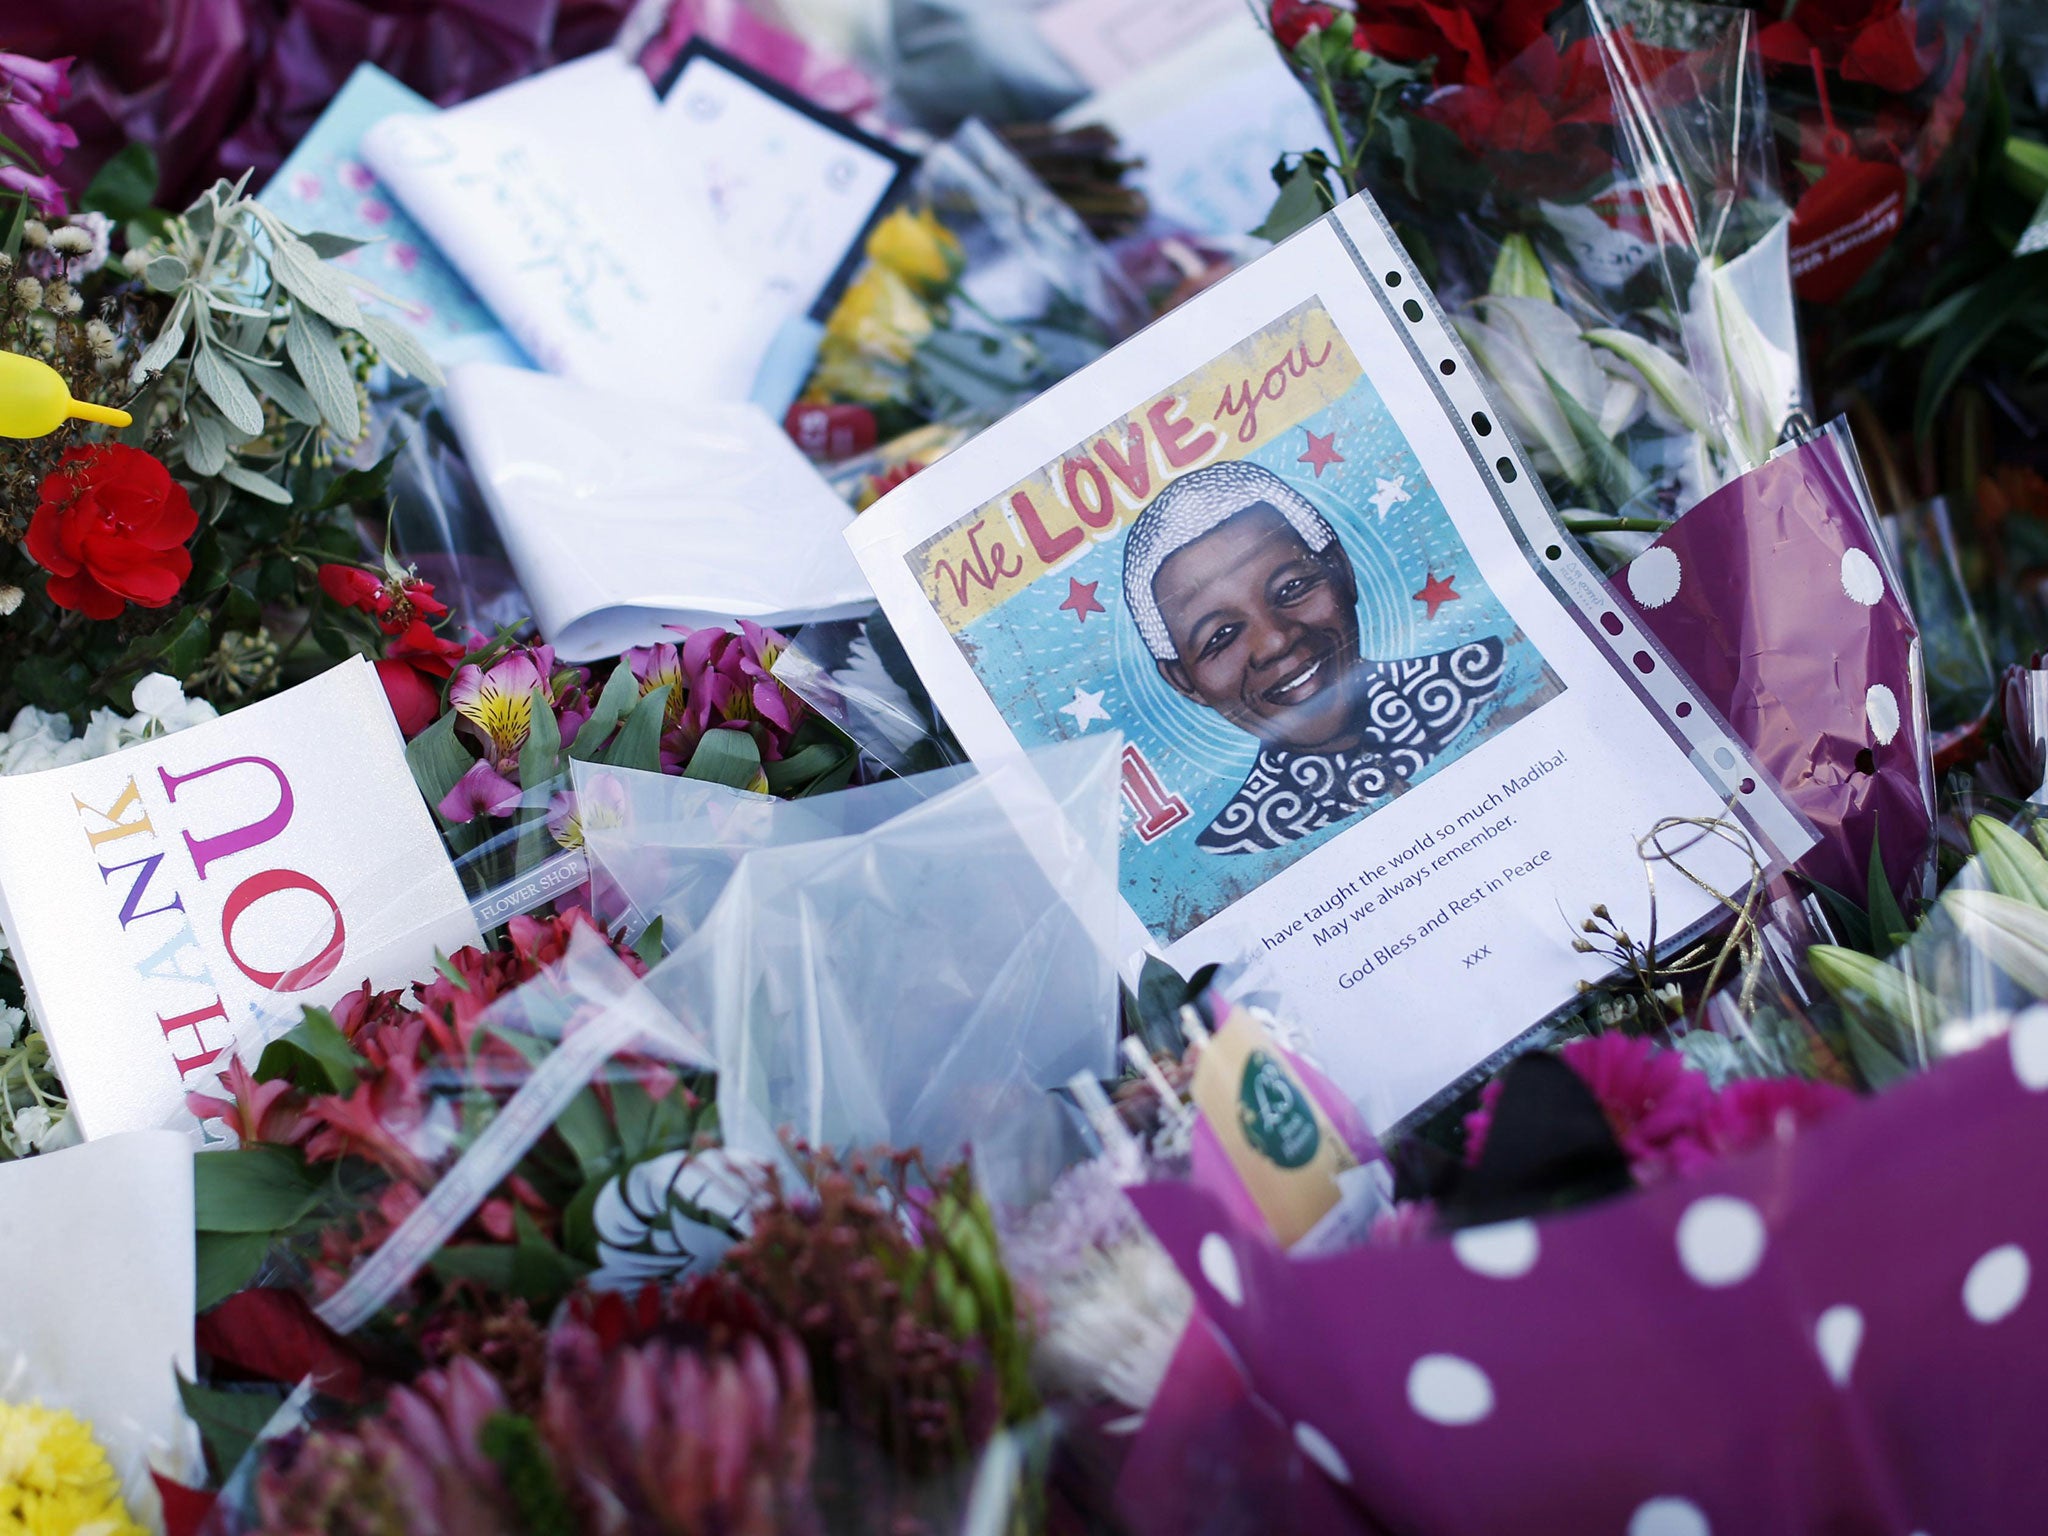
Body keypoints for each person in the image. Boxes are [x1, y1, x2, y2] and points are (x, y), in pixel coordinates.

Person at [1123, 460, 1506, 854]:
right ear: (1184, 681)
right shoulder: (1240, 842)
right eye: (1220, 636)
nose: (1275, 641)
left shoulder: (1495, 682)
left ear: (1342, 570)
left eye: (1292, 588)